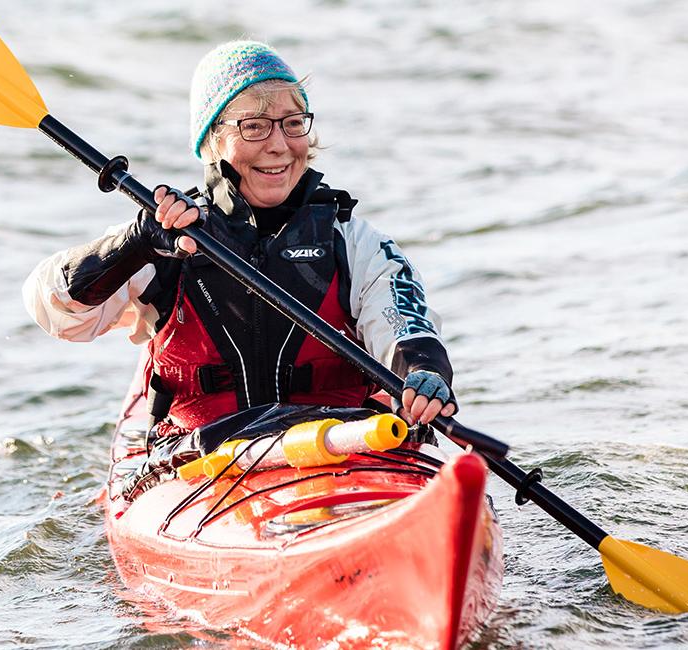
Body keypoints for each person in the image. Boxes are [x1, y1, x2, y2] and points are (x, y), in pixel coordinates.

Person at [24, 41, 456, 472]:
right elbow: (57, 312)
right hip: (202, 461)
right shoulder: (169, 237)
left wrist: (424, 373)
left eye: (292, 123)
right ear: (213, 139)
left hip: (343, 447)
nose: (279, 146)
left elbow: (405, 325)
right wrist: (133, 244)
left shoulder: (355, 242)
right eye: (254, 126)